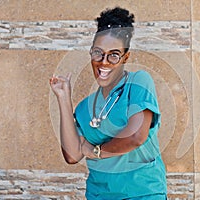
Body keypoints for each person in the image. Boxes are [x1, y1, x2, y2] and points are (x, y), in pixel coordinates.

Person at [50, 7, 167, 200]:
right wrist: (63, 99)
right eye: (98, 53)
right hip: (99, 195)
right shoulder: (84, 109)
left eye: (113, 55)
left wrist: (96, 151)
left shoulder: (138, 83)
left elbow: (136, 136)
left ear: (125, 57)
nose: (103, 62)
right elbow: (72, 156)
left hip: (143, 194)